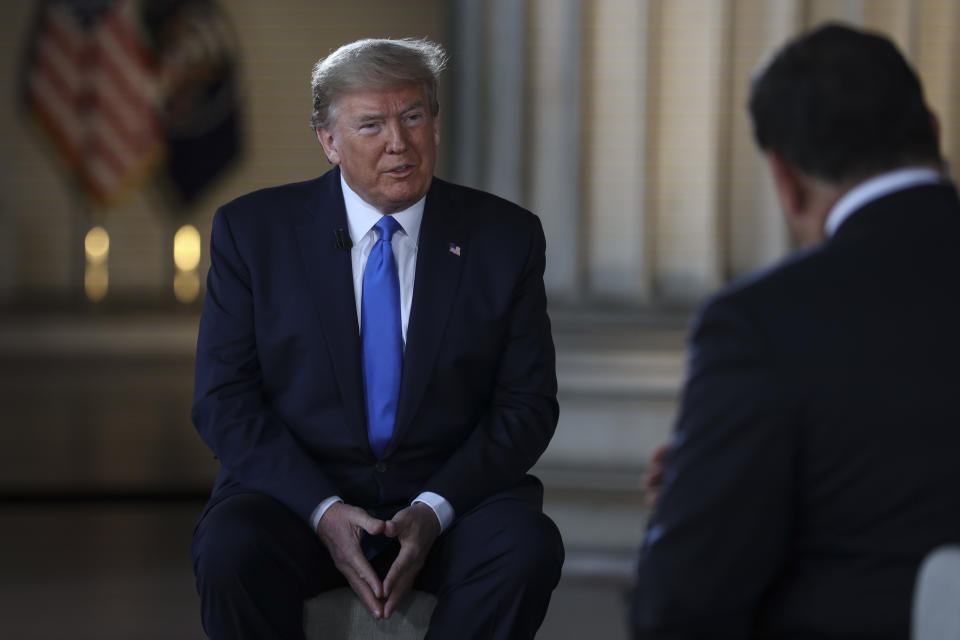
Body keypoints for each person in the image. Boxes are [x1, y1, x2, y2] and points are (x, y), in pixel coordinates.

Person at [190, 38, 563, 640]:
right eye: (371, 125)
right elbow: (223, 401)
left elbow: (527, 406)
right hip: (298, 497)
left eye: (413, 116)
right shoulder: (254, 233)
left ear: (435, 123)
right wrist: (324, 511)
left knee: (525, 549)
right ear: (329, 142)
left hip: (452, 497)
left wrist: (434, 509)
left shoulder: (505, 237)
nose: (399, 142)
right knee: (232, 550)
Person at [632, 23, 960, 639]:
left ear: (785, 179)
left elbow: (683, 605)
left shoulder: (760, 323)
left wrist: (702, 493)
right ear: (935, 132)